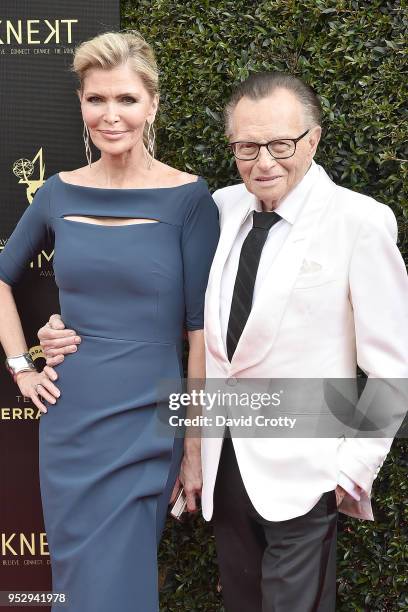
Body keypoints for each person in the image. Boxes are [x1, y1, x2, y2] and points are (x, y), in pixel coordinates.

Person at [38, 72, 408, 611]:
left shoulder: (360, 222)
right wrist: (64, 332)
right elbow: (176, 318)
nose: (264, 162)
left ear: (314, 139)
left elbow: (392, 368)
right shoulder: (222, 207)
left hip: (307, 472)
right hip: (223, 468)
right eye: (247, 146)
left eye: (281, 144)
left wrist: (348, 473)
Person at [0, 31, 219, 612]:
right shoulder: (56, 193)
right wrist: (23, 364)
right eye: (97, 99)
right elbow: (2, 278)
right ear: (81, 106)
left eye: (125, 99)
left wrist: (194, 448)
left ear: (151, 105)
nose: (110, 114)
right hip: (72, 417)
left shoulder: (191, 200)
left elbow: (199, 336)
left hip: (149, 414)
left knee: (120, 578)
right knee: (77, 579)